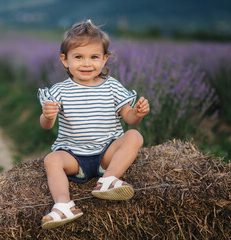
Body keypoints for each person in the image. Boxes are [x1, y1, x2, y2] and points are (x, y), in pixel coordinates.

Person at [37, 19, 150, 229]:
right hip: (73, 157)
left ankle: (108, 180)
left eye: (94, 57)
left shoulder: (112, 86)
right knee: (51, 159)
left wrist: (138, 113)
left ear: (105, 59)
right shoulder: (59, 91)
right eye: (78, 57)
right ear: (65, 60)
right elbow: (46, 125)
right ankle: (63, 205)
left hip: (106, 154)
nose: (87, 64)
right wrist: (48, 115)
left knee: (134, 135)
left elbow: (129, 117)